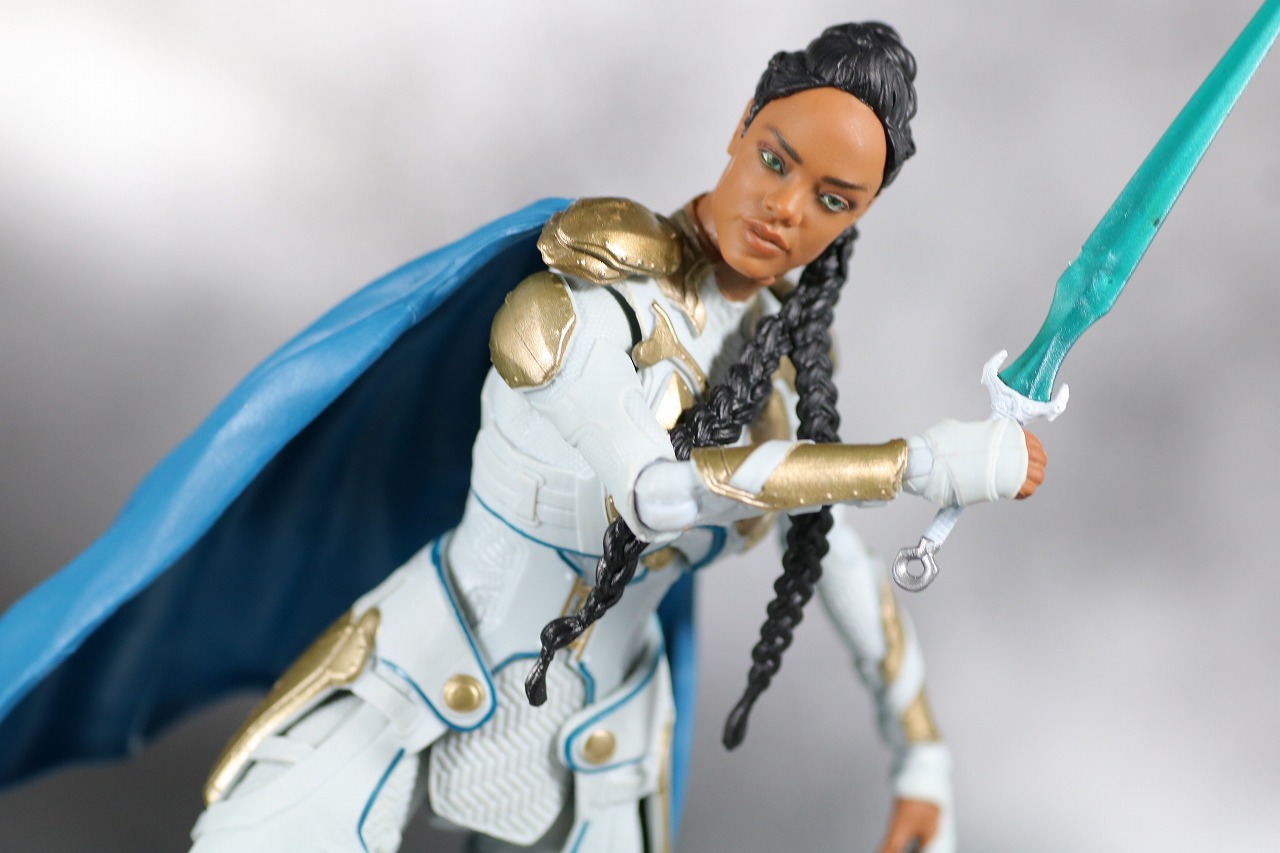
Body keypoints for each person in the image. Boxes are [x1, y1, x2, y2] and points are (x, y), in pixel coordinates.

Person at [0, 21, 1045, 853]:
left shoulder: (780, 388)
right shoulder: (586, 293)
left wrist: (919, 752)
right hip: (417, 669)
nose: (784, 209)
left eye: (830, 200)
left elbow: (832, 554)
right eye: (775, 159)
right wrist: (916, 463)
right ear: (741, 125)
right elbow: (655, 490)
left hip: (602, 751)